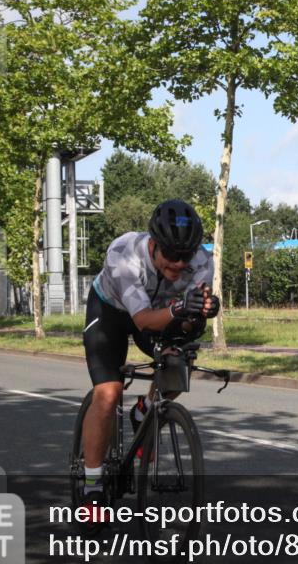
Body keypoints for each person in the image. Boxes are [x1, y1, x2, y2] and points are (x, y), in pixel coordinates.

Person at [80, 199, 219, 513]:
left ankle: (144, 410)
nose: (178, 264)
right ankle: (92, 487)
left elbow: (186, 322)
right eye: (170, 255)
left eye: (184, 256)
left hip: (162, 313)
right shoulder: (123, 255)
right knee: (108, 393)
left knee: (178, 363)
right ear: (154, 245)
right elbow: (141, 320)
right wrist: (179, 308)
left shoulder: (202, 261)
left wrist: (201, 311)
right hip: (111, 313)